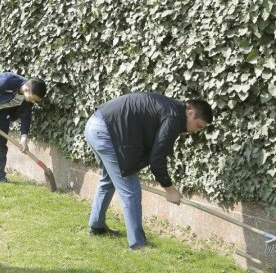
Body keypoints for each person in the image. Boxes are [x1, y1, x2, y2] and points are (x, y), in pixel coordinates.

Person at [84, 92, 213, 250]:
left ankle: (97, 226)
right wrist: (170, 190)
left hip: (95, 124)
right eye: (198, 125)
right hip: (106, 132)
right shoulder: (174, 117)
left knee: (109, 179)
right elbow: (157, 159)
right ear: (190, 113)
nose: (196, 131)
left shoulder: (172, 109)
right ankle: (138, 244)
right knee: (131, 190)